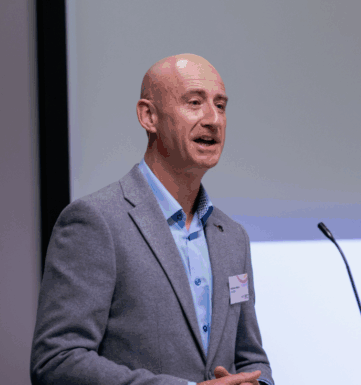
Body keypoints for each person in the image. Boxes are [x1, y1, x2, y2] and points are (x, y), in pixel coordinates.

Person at [31, 54, 273, 385]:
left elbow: (251, 358)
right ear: (149, 116)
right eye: (194, 102)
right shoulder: (95, 222)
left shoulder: (232, 237)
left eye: (221, 105)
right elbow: (56, 362)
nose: (213, 119)